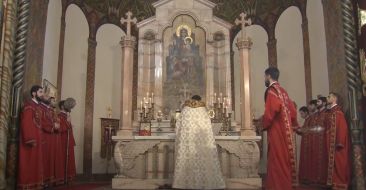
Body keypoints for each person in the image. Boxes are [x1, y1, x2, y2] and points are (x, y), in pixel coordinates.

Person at [172, 95, 225, 189]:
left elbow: (178, 128)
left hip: (187, 144)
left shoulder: (185, 110)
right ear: (200, 100)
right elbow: (208, 129)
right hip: (201, 145)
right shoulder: (203, 111)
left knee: (187, 162)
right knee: (203, 162)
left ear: (191, 99)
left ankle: (184, 184)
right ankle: (204, 183)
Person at [262, 67, 299, 190]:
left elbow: (271, 110)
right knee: (284, 157)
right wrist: (294, 125)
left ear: (268, 76)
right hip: (286, 130)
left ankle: (278, 186)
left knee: (276, 158)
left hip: (276, 130)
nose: (264, 79)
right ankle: (286, 184)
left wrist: (263, 124)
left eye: (265, 77)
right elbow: (293, 111)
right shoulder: (283, 91)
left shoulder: (271, 91)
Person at [17, 85, 44, 189]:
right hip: (30, 141)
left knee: (35, 164)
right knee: (28, 163)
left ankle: (35, 185)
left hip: (37, 140)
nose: (42, 95)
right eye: (40, 92)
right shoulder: (29, 106)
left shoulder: (37, 107)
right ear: (34, 93)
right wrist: (30, 138)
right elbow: (26, 123)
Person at [325, 93, 350, 189]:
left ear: (335, 98)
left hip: (337, 144)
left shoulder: (338, 113)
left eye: (329, 96)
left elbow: (342, 127)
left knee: (340, 163)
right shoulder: (331, 112)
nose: (327, 98)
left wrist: (340, 141)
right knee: (333, 163)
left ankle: (340, 183)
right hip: (330, 143)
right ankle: (334, 183)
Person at [39, 95, 58, 186]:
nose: (46, 96)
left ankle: (47, 180)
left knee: (49, 159)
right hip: (44, 136)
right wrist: (52, 127)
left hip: (50, 136)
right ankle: (42, 180)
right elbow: (41, 122)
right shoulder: (40, 108)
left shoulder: (47, 109)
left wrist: (55, 125)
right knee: (44, 159)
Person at [58, 100, 76, 183]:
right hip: (63, 139)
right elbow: (61, 127)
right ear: (62, 106)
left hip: (68, 139)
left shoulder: (67, 115)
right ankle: (62, 177)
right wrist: (68, 123)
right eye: (66, 105)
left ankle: (68, 176)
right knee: (63, 157)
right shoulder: (59, 116)